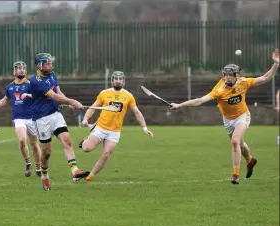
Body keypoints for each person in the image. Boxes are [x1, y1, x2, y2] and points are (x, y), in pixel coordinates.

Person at [170, 49, 279, 185]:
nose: (226, 77)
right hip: (228, 119)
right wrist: (179, 105)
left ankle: (235, 175)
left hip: (242, 116)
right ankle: (250, 160)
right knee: (240, 144)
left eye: (229, 75)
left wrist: (275, 64)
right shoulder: (219, 90)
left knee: (234, 142)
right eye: (225, 75)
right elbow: (200, 100)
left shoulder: (243, 82)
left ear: (236, 76)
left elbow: (266, 78)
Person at [79, 71, 154, 182]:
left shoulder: (128, 96)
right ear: (112, 80)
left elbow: (137, 113)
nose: (118, 81)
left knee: (105, 154)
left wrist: (145, 128)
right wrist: (85, 119)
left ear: (123, 81)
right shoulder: (104, 93)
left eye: (120, 79)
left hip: (114, 132)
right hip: (100, 128)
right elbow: (93, 107)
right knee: (86, 148)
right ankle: (86, 140)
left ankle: (91, 176)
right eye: (116, 79)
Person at [29, 53, 90, 191]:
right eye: (47, 63)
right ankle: (44, 176)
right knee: (47, 153)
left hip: (55, 114)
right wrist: (72, 101)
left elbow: (59, 92)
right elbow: (54, 96)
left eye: (50, 63)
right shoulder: (36, 80)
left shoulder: (52, 75)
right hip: (41, 118)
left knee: (67, 141)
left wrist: (70, 103)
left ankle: (75, 171)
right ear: (39, 65)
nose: (50, 65)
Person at [0, 61, 42, 177]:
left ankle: (38, 166)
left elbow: (39, 96)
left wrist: (29, 95)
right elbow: (5, 100)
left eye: (23, 68)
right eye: (19, 68)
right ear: (14, 71)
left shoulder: (31, 84)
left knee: (35, 145)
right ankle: (27, 163)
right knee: (22, 140)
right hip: (18, 118)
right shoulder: (10, 86)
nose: (21, 70)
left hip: (32, 118)